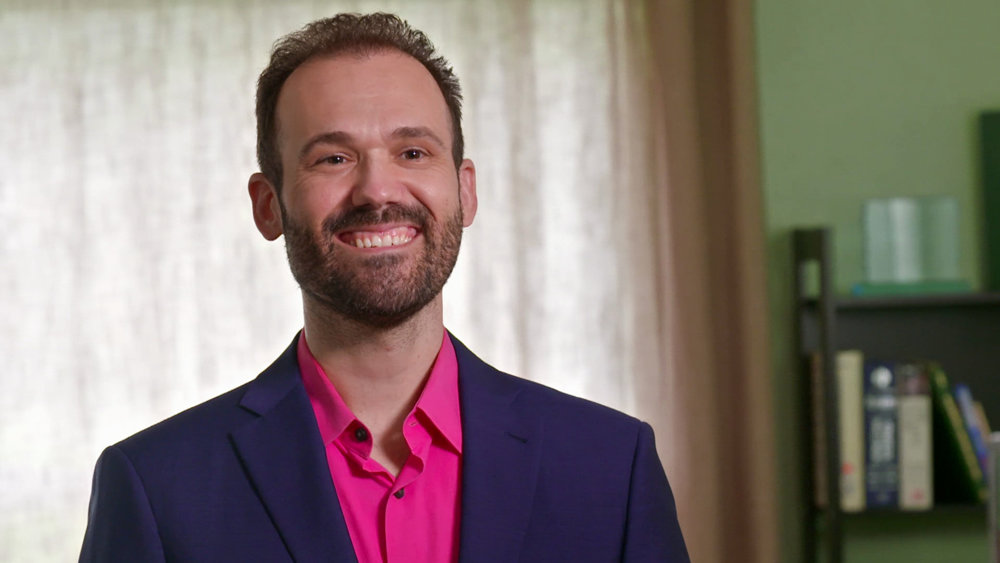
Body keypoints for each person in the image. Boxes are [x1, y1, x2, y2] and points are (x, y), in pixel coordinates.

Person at [80, 12, 688, 562]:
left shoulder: (612, 466)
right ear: (268, 205)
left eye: (413, 152)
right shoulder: (156, 487)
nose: (377, 190)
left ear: (465, 190)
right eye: (333, 158)